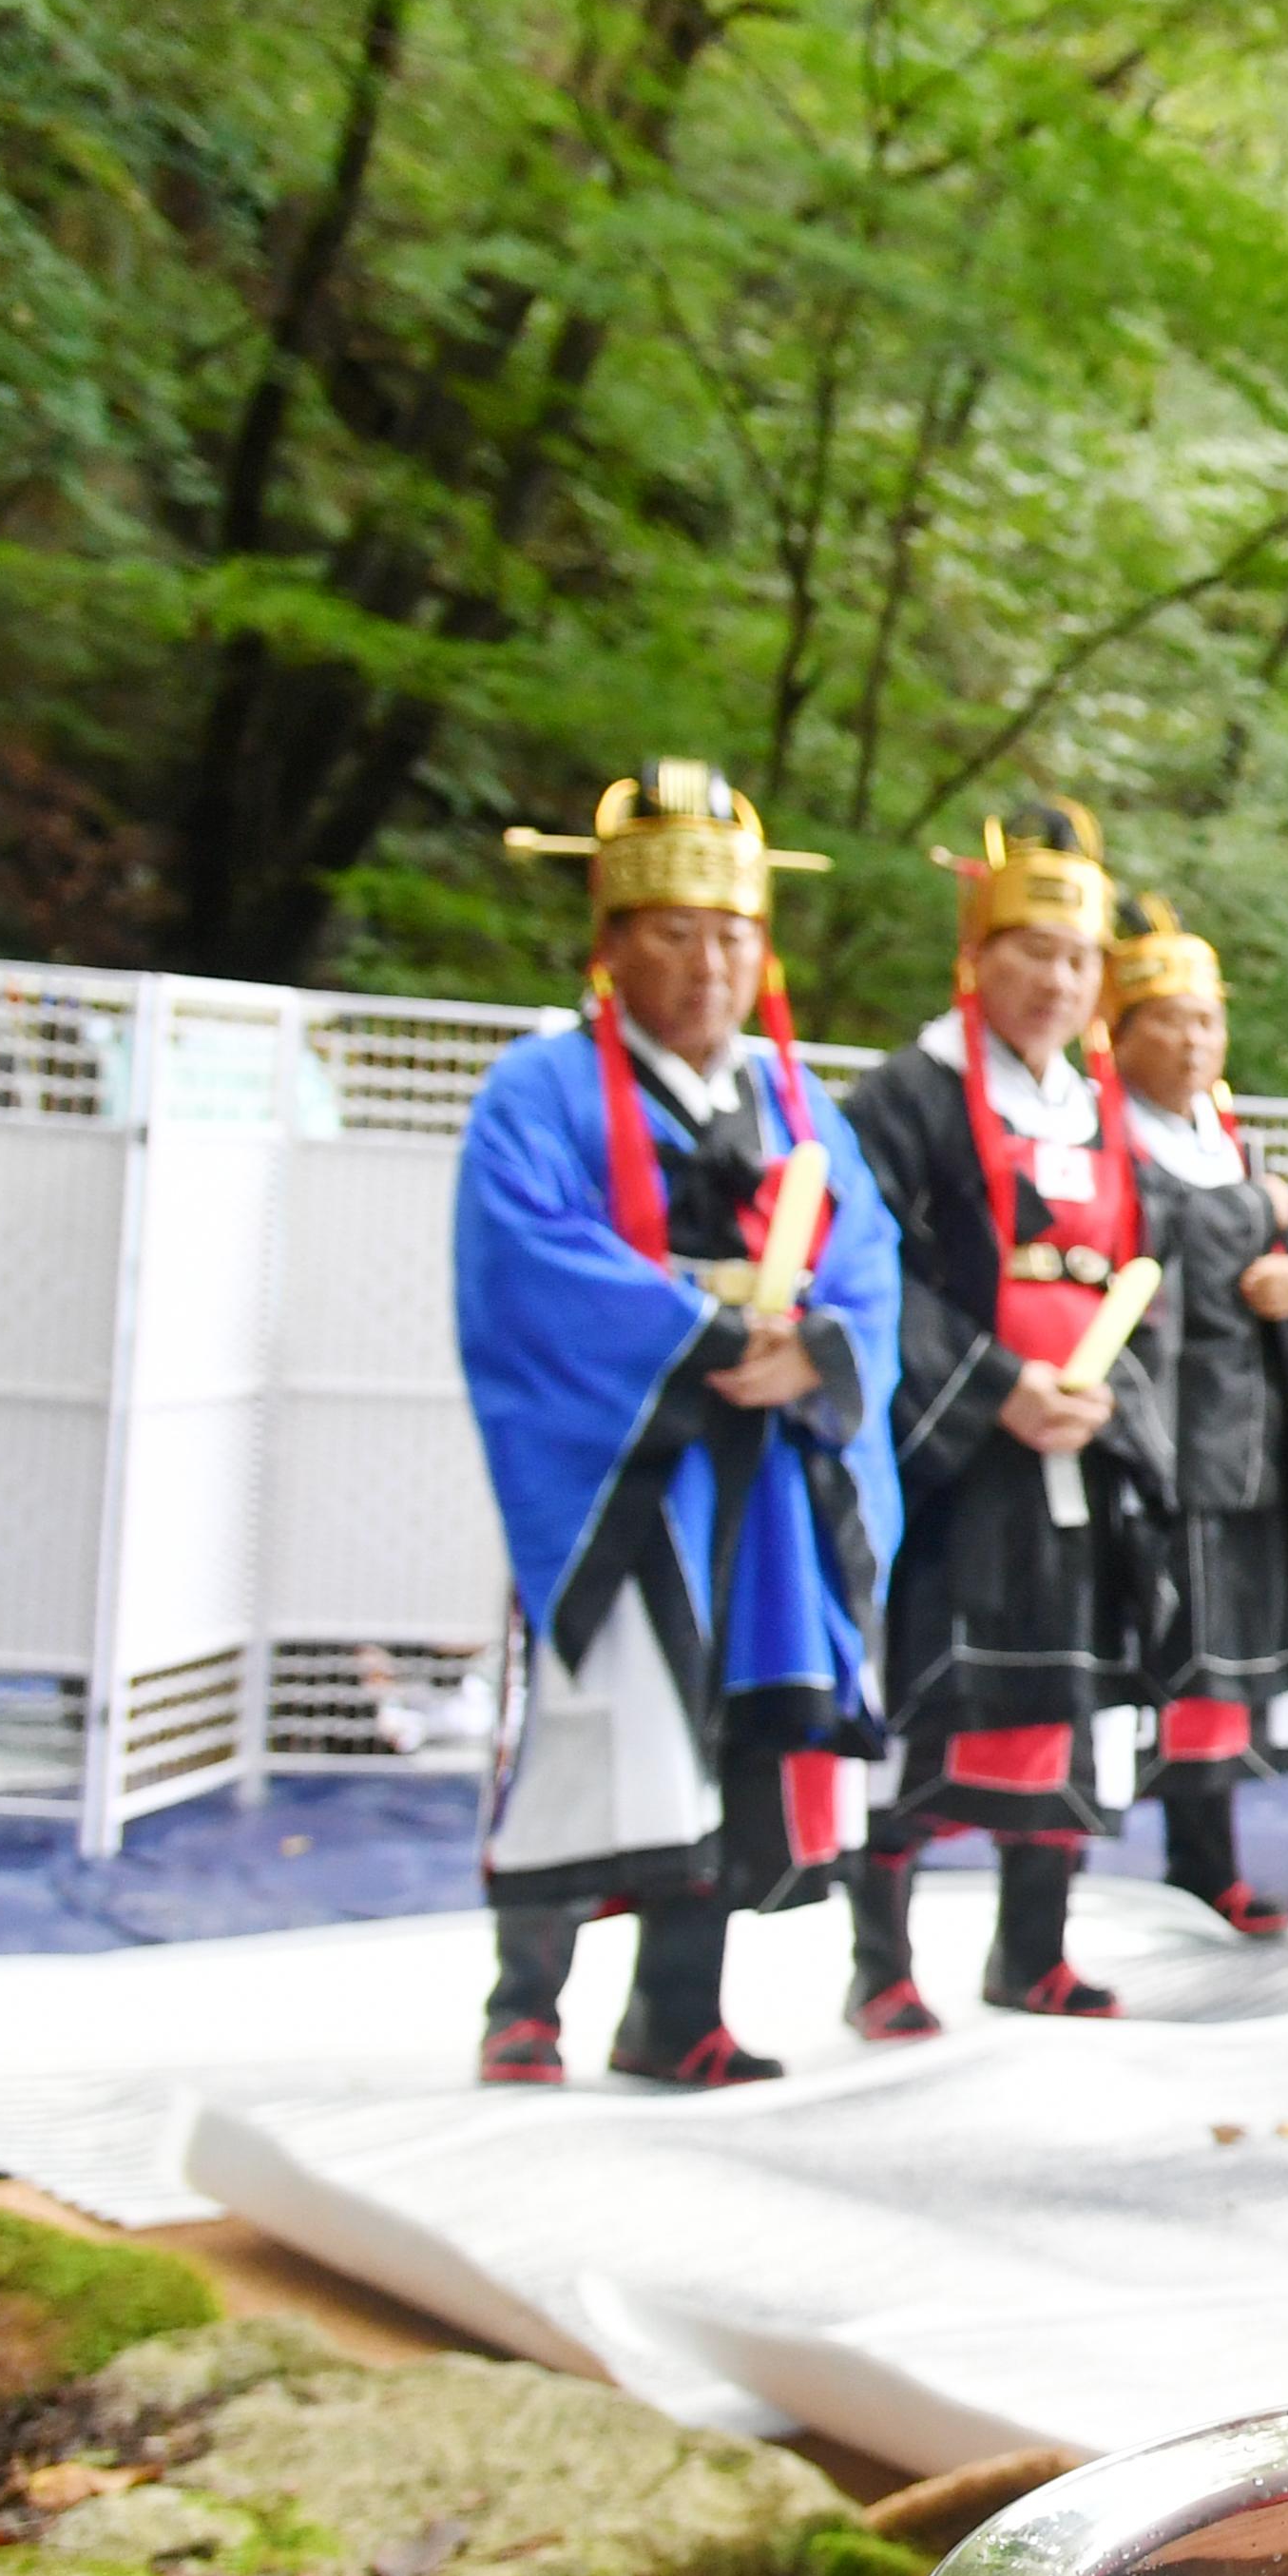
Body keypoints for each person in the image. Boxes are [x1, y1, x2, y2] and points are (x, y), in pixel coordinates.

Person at [454, 765, 900, 2088]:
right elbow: (527, 1259)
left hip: (763, 1471)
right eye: (672, 932)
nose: (707, 961)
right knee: (605, 1710)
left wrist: (811, 1349)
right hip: (629, 1459)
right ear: (610, 943)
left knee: (731, 1724)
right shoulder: (539, 1089)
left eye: (732, 934)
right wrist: (709, 1339)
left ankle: (675, 2008)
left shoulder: (799, 1103)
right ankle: (522, 2000)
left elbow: (865, 1259)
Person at [839, 799, 1178, 2028]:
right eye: (1030, 950)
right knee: (932, 1698)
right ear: (976, 955)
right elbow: (871, 1273)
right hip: (958, 1457)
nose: (1052, 977)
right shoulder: (901, 1097)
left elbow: (1145, 1273)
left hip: (1077, 1442)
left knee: (1064, 1705)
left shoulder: (1103, 1114)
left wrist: (1102, 1391)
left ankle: (1031, 1946)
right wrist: (994, 1388)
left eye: (1076, 957)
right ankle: (879, 1962)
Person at [1105, 892, 1288, 1941]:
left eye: (1207, 1020)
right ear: (1121, 1031)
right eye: (1169, 1020)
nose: (1194, 1040)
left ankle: (1216, 1853)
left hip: (1249, 1434)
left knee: (1233, 1655)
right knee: (1181, 1648)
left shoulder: (1231, 1141)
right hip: (1167, 1429)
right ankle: (1181, 1859)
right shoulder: (1114, 1142)